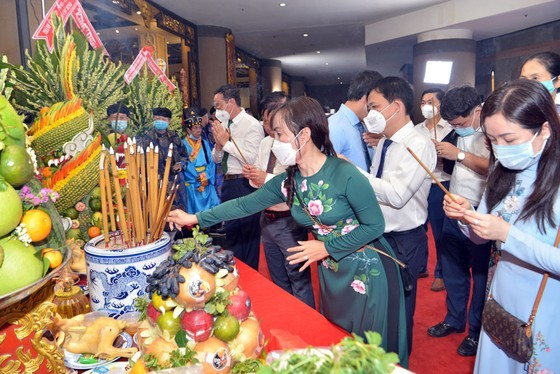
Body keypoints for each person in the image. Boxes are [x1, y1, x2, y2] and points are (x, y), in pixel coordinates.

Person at [168, 96, 409, 366]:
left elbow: (375, 226)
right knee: (340, 346)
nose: (275, 141)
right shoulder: (289, 180)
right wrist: (194, 216)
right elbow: (244, 205)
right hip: (331, 271)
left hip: (367, 270)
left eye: (280, 134)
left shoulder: (345, 174)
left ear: (304, 135)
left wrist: (326, 247)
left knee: (370, 352)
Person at [443, 79, 560, 372]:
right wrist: (467, 216)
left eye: (509, 140)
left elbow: (503, 233)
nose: (501, 149)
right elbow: (480, 239)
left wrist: (507, 235)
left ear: (544, 130)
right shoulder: (503, 170)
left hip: (546, 302)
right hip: (502, 294)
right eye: (493, 141)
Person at [360, 76, 436, 354]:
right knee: (380, 304)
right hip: (381, 234)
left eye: (374, 107)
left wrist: (356, 174)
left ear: (396, 106)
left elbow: (396, 195)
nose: (370, 115)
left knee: (401, 308)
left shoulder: (417, 143)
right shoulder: (386, 142)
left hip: (404, 240)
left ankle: (398, 361)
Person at [427, 86, 491, 357]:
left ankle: (476, 332)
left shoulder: (492, 132)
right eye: (452, 123)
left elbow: (495, 169)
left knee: (480, 274)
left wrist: (460, 155)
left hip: (480, 209)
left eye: (461, 123)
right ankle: (454, 318)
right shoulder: (456, 131)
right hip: (453, 204)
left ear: (477, 110)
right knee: (453, 268)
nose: (456, 127)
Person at [242, 95, 314, 307]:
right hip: (267, 218)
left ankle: (306, 322)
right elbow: (260, 181)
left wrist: (265, 178)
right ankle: (288, 317)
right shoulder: (265, 143)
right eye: (264, 121)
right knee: (278, 278)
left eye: (272, 123)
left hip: (288, 220)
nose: (267, 127)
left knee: (298, 279)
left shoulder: (293, 146)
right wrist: (254, 176)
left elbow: (295, 182)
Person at [210, 84, 264, 270]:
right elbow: (216, 159)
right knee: (231, 230)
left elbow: (251, 158)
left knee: (248, 231)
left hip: (245, 182)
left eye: (219, 105)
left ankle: (252, 273)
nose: (217, 110)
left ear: (231, 102)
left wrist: (226, 143)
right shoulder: (223, 125)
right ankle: (235, 270)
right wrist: (218, 145)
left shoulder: (252, 125)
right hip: (228, 182)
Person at [416, 88, 453, 291]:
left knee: (439, 232)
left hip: (441, 183)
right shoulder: (416, 129)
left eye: (430, 101)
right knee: (419, 227)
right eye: (423, 102)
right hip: (420, 183)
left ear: (441, 104)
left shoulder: (449, 129)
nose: (425, 106)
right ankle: (421, 265)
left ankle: (441, 272)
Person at [328, 70, 383, 171]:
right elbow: (325, 171)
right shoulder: (334, 126)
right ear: (366, 98)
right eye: (375, 104)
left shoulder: (363, 125)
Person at [139, 107, 189, 209]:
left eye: (163, 119)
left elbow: (184, 154)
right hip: (156, 183)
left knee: (179, 215)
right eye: (157, 118)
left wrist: (181, 164)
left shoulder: (174, 136)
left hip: (175, 183)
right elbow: (140, 161)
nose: (160, 121)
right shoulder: (146, 138)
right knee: (160, 214)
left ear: (169, 121)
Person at [181, 107, 220, 214]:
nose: (199, 130)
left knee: (209, 213)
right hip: (192, 183)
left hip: (205, 180)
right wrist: (196, 177)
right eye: (195, 128)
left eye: (199, 128)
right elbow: (184, 164)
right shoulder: (182, 144)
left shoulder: (204, 143)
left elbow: (211, 162)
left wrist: (206, 175)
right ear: (188, 130)